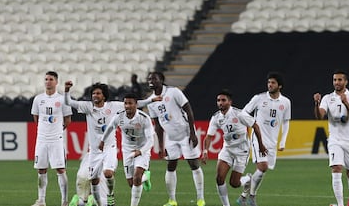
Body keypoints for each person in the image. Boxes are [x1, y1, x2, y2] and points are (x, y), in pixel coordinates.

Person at [65, 81, 160, 206]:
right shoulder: (88, 107)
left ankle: (110, 196)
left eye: (98, 93)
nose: (95, 95)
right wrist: (67, 90)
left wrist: (151, 100)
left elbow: (135, 103)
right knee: (93, 180)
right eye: (93, 93)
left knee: (108, 173)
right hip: (94, 151)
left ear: (104, 96)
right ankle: (95, 202)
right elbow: (69, 102)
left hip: (109, 148)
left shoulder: (114, 106)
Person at [146, 71, 205, 206]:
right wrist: (161, 146)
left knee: (194, 164)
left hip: (185, 134)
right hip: (171, 138)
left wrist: (192, 132)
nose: (150, 81)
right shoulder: (151, 102)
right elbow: (158, 126)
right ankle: (172, 200)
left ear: (161, 80)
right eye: (149, 79)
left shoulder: (173, 92)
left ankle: (200, 199)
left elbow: (189, 110)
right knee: (171, 165)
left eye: (153, 78)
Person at [201, 90, 267, 206]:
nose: (220, 103)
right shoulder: (216, 117)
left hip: (242, 151)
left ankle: (247, 179)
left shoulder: (239, 114)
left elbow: (255, 126)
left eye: (223, 100)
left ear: (230, 102)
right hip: (227, 150)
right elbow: (209, 136)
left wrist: (261, 146)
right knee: (219, 178)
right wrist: (205, 151)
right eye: (218, 100)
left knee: (234, 183)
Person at [237, 71, 291, 206]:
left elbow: (286, 122)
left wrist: (283, 141)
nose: (270, 85)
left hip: (273, 141)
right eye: (269, 82)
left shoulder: (285, 102)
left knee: (261, 172)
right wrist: (253, 124)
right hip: (258, 139)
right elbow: (243, 113)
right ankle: (252, 197)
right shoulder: (259, 98)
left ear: (280, 86)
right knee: (263, 167)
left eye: (273, 83)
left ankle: (245, 193)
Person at [313, 70, 349, 206]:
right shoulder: (328, 98)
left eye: (339, 80)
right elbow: (319, 116)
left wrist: (345, 102)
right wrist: (316, 104)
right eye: (335, 80)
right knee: (336, 168)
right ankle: (340, 204)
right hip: (335, 140)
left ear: (346, 82)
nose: (337, 82)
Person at [99, 93, 155, 206]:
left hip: (142, 149)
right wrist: (102, 141)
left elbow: (151, 141)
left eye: (130, 103)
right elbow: (110, 127)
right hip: (127, 151)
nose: (127, 106)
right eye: (125, 103)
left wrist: (140, 151)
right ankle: (145, 177)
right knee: (132, 183)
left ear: (136, 104)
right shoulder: (119, 116)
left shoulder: (144, 118)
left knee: (136, 176)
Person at [31, 71, 73, 206]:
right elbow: (36, 117)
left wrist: (56, 131)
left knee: (60, 169)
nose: (48, 81)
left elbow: (67, 120)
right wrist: (44, 130)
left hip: (56, 139)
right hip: (42, 139)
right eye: (46, 79)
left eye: (51, 79)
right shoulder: (38, 99)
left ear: (56, 82)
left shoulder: (62, 99)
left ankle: (64, 201)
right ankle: (41, 200)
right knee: (41, 169)